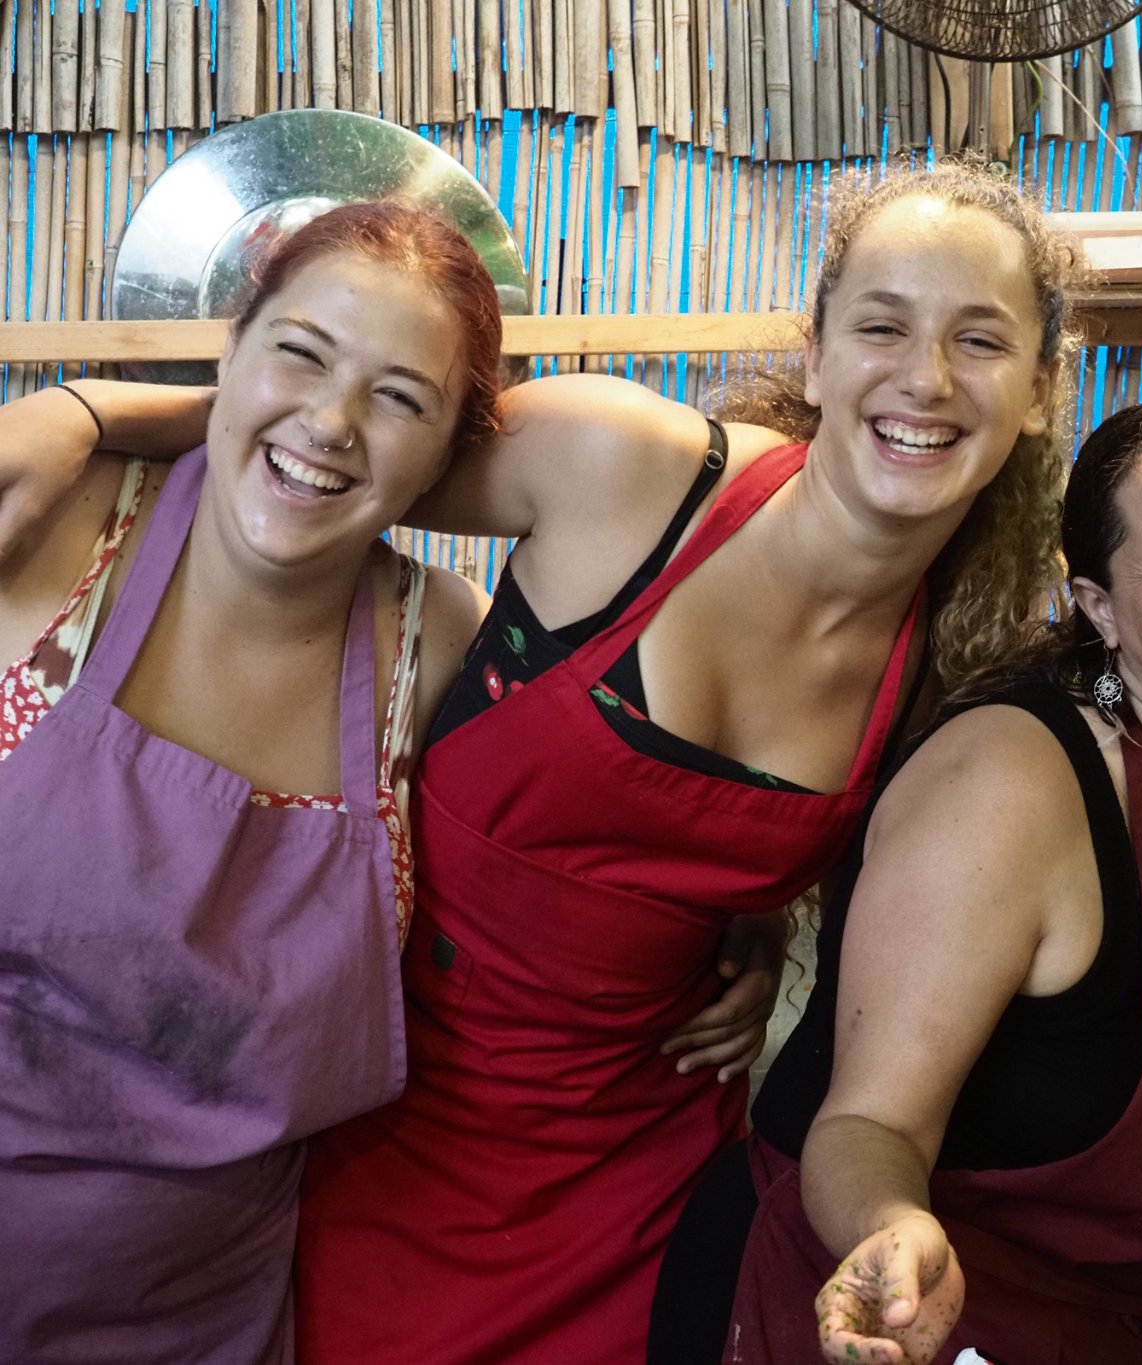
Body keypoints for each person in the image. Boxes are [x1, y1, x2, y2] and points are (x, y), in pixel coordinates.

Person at [5, 162, 1085, 1364]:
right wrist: (83, 412)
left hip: (642, 1181)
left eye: (978, 340)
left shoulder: (951, 671)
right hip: (380, 1137)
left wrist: (756, 917)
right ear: (817, 355)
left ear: (1040, 390)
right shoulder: (619, 467)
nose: (925, 378)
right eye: (881, 326)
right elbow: (346, 432)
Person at [671, 394, 1142, 1365]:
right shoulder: (1010, 782)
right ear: (1097, 605)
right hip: (859, 1312)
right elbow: (867, 1122)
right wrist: (890, 1226)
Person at [0, 201, 496, 1361]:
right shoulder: (50, 524)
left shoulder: (437, 648)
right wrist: (87, 410)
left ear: (449, 457)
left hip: (202, 1321)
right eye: (300, 354)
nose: (330, 421)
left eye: (400, 398)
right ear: (231, 350)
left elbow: (577, 849)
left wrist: (731, 930)